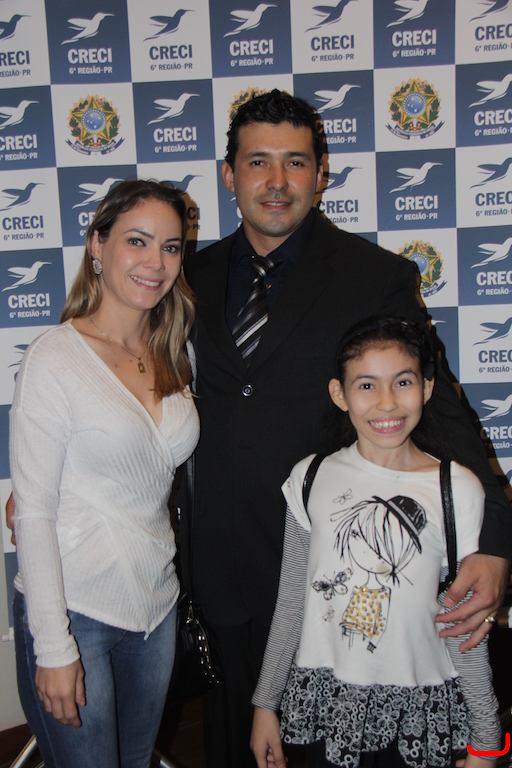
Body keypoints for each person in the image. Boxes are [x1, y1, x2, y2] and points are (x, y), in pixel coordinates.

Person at [181, 89, 511, 768]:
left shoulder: (376, 275)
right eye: (258, 162)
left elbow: (441, 410)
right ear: (229, 174)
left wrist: (495, 543)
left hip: (332, 576)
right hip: (219, 574)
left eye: (296, 162)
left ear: (321, 173)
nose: (277, 181)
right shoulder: (187, 277)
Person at [251, 316, 501, 768]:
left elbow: (464, 625)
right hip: (329, 709)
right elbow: (291, 602)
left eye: (403, 382)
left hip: (420, 711)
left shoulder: (456, 488)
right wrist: (265, 703)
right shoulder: (310, 476)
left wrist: (487, 742)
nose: (387, 402)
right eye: (366, 385)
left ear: (427, 387)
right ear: (339, 394)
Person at [10, 179, 199, 768]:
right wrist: (53, 644)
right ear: (98, 245)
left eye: (171, 246)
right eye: (137, 241)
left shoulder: (176, 351)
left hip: (157, 606)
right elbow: (33, 512)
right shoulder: (54, 357)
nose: (156, 262)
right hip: (76, 609)